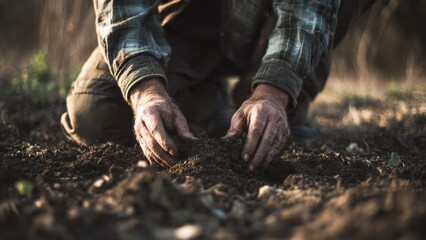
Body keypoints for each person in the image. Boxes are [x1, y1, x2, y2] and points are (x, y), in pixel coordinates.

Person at [61, 0, 375, 170]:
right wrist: (146, 90)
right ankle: (209, 100)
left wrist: (274, 91)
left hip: (280, 13)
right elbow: (122, 6)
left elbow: (310, 9)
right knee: (94, 114)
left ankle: (285, 104)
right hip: (190, 11)